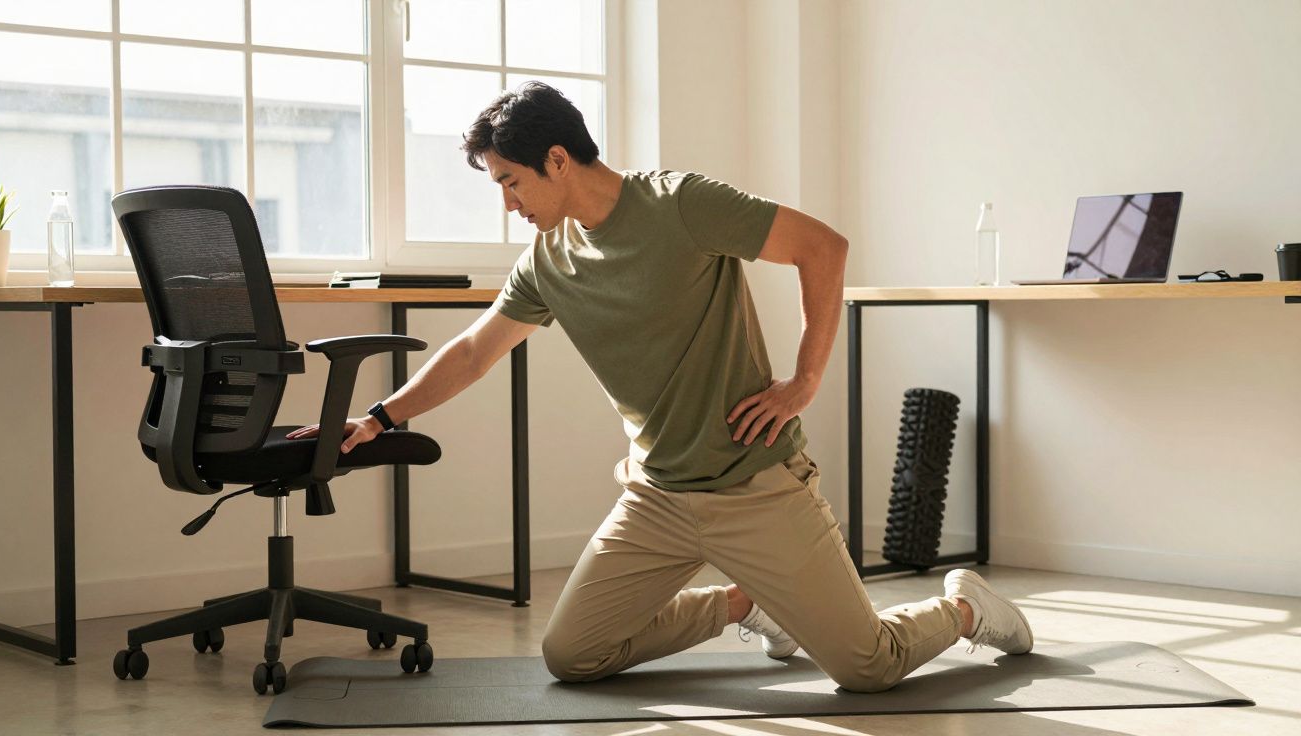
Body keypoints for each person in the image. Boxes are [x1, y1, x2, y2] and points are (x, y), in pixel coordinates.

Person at [286, 82, 1033, 693]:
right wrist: (380, 416)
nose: (508, 204)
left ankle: (966, 609)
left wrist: (803, 382)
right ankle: (750, 602)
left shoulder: (679, 203)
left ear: (555, 159)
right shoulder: (549, 260)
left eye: (510, 182)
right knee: (571, 654)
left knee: (867, 667)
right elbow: (477, 351)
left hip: (755, 485)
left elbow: (822, 247)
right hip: (657, 498)